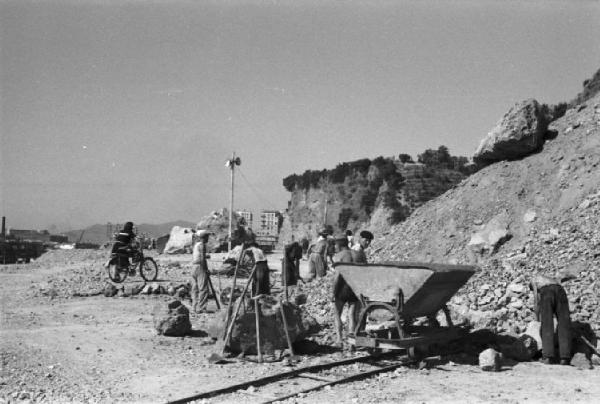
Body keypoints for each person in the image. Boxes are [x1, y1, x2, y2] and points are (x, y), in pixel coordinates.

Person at [530, 273, 572, 365]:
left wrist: (537, 317)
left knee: (547, 323)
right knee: (564, 322)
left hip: (547, 292)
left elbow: (536, 300)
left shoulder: (534, 280)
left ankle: (548, 356)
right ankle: (565, 357)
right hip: (561, 291)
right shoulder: (549, 279)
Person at [191, 229, 211, 313]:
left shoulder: (196, 245)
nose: (208, 238)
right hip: (200, 267)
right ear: (204, 237)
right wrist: (206, 269)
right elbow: (202, 258)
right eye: (207, 237)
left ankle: (194, 307)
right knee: (203, 288)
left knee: (195, 288)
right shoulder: (202, 245)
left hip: (194, 267)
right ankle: (201, 308)